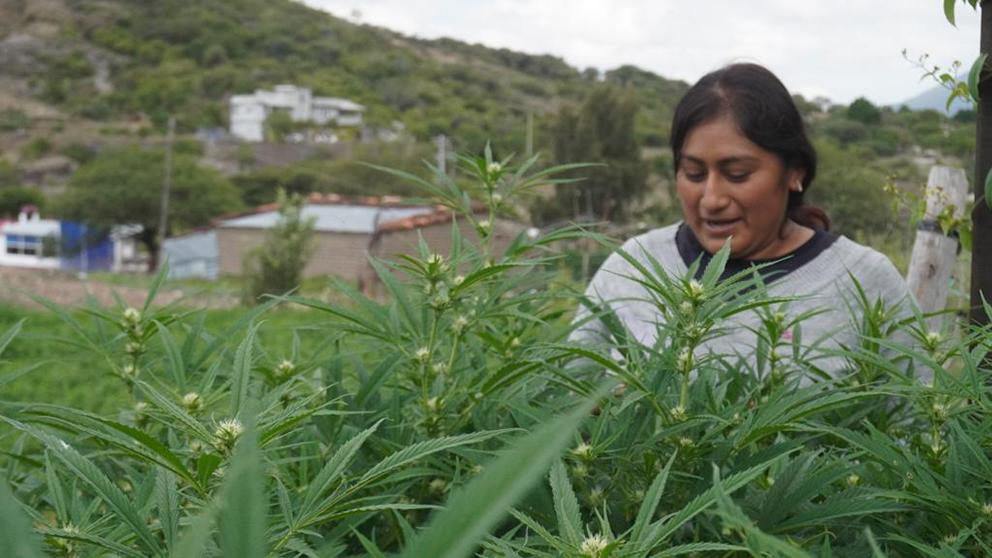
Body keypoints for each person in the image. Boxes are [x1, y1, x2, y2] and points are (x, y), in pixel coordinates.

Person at [572, 63, 920, 379]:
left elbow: (916, 426)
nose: (711, 199)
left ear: (794, 171)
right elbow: (564, 402)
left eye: (737, 174)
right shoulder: (634, 267)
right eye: (693, 174)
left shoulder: (864, 281)